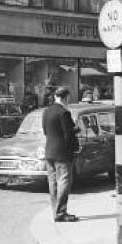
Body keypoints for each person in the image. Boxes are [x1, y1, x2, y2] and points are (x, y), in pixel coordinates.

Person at [42, 86, 79, 222]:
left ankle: (55, 211)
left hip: (49, 152)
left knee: (52, 183)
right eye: (68, 98)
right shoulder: (64, 113)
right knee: (63, 181)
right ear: (65, 97)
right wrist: (76, 131)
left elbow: (46, 131)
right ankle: (61, 212)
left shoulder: (46, 111)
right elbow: (68, 135)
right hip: (62, 153)